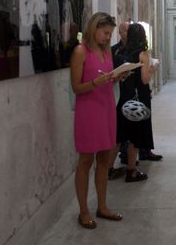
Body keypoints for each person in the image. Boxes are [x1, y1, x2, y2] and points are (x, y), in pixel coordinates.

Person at [70, 12, 124, 229]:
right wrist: (96, 81)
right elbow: (76, 87)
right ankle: (83, 211)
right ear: (94, 29)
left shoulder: (106, 51)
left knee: (104, 159)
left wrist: (116, 78)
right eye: (105, 33)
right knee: (85, 161)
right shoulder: (80, 52)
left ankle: (102, 206)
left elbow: (107, 82)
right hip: (89, 112)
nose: (108, 37)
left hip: (107, 108)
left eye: (110, 34)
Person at [111, 22, 163, 171]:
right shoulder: (142, 54)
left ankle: (109, 169)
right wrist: (152, 69)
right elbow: (145, 79)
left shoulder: (120, 53)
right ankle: (131, 171)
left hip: (123, 95)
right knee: (135, 134)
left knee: (120, 135)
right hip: (139, 95)